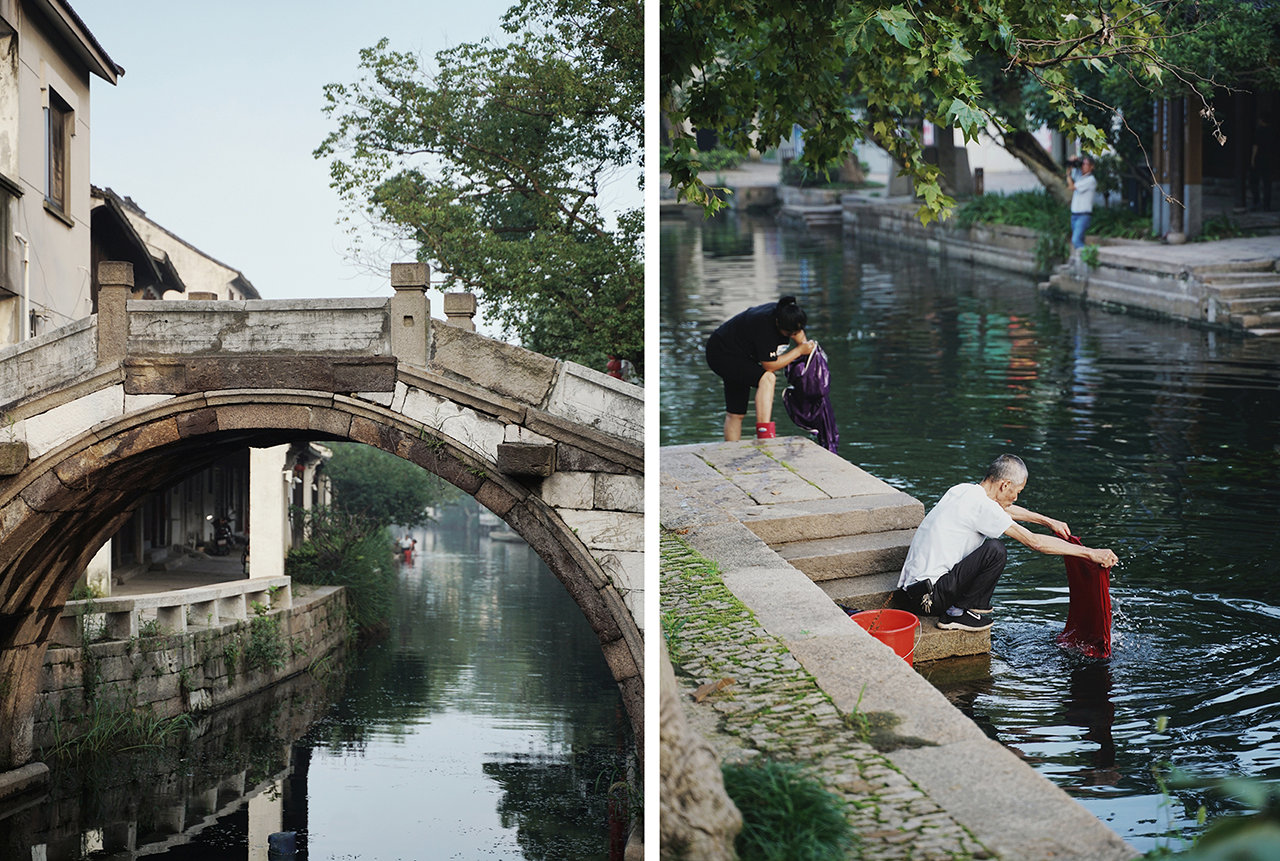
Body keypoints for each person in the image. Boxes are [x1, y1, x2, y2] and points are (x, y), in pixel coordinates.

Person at [895, 454, 1119, 632]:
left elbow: (1003, 509)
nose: (1016, 498)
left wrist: (1046, 520)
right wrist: (1090, 553)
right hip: (929, 600)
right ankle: (957, 613)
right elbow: (1035, 543)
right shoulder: (983, 507)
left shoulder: (963, 490)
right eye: (1017, 492)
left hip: (912, 593)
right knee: (995, 550)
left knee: (992, 547)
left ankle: (961, 609)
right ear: (1004, 485)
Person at [705, 296, 817, 441]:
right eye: (790, 334)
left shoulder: (785, 313)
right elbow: (769, 365)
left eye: (797, 332)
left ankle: (730, 452)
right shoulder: (764, 327)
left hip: (738, 352)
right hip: (721, 354)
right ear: (778, 324)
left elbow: (798, 333)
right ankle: (765, 437)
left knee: (736, 413)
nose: (794, 336)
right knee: (768, 378)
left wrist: (807, 351)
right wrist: (799, 351)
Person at [1068, 156, 1097, 250]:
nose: (1083, 166)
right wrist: (1071, 162)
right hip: (1074, 215)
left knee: (1075, 240)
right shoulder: (1080, 177)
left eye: (1085, 164)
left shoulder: (1091, 180)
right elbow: (1073, 172)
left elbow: (1071, 187)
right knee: (1079, 240)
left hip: (1083, 216)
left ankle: (1088, 257)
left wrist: (1067, 175)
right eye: (1082, 164)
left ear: (1092, 167)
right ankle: (1082, 262)